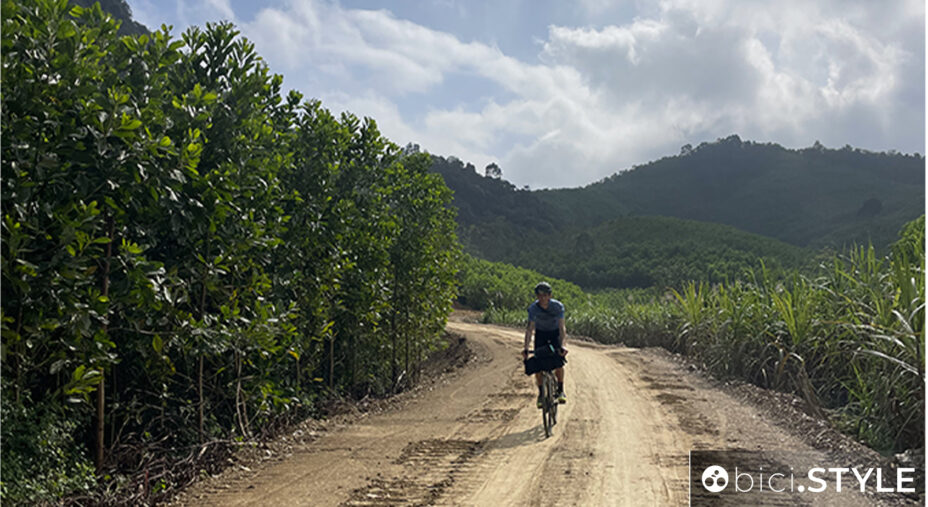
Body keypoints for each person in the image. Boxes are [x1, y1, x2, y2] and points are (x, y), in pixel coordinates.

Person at [522, 281, 568, 408]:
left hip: (554, 333)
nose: (542, 298)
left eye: (545, 295)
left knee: (558, 362)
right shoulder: (533, 309)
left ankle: (560, 390)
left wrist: (563, 345)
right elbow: (530, 329)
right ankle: (541, 393)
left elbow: (562, 327)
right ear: (537, 296)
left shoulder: (557, 307)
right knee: (538, 364)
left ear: (550, 296)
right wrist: (526, 348)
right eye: (540, 295)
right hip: (541, 334)